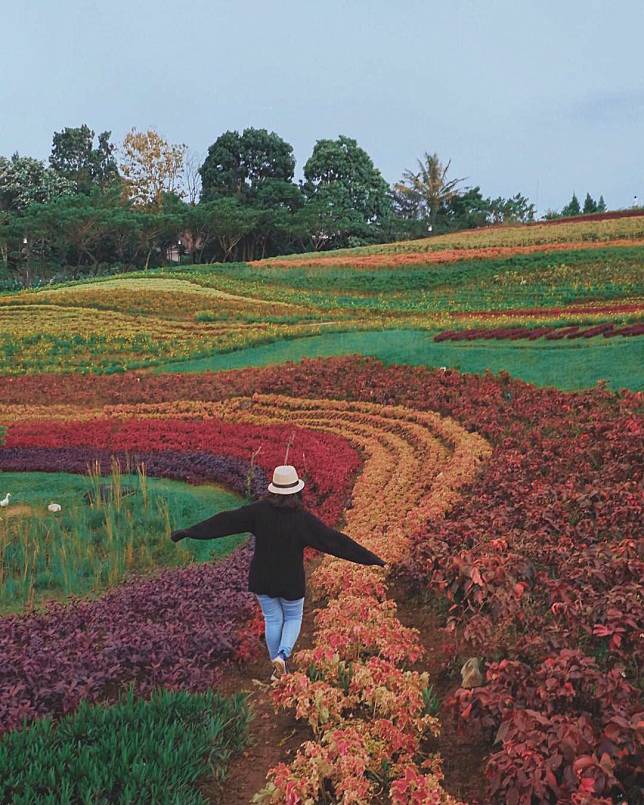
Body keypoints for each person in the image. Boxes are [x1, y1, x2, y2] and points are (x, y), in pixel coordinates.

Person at [170, 464, 386, 681]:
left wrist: (187, 532)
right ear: (296, 490)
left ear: (273, 489)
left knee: (272, 620)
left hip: (262, 578)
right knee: (293, 617)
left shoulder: (257, 511)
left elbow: (224, 522)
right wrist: (372, 559)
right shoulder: (302, 519)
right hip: (290, 581)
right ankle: (282, 655)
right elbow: (335, 542)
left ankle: (277, 671)